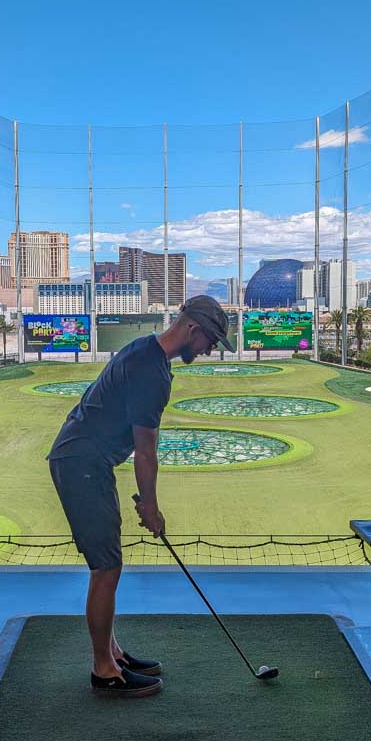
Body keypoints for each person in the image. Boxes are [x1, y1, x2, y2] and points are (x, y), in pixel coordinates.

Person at [46, 295, 235, 697]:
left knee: (109, 563)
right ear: (192, 330)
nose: (209, 351)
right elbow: (145, 450)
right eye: (210, 341)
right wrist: (151, 506)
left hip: (86, 462)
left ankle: (113, 654)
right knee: (106, 567)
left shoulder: (146, 351)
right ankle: (103, 670)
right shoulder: (152, 371)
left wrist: (147, 502)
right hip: (81, 464)